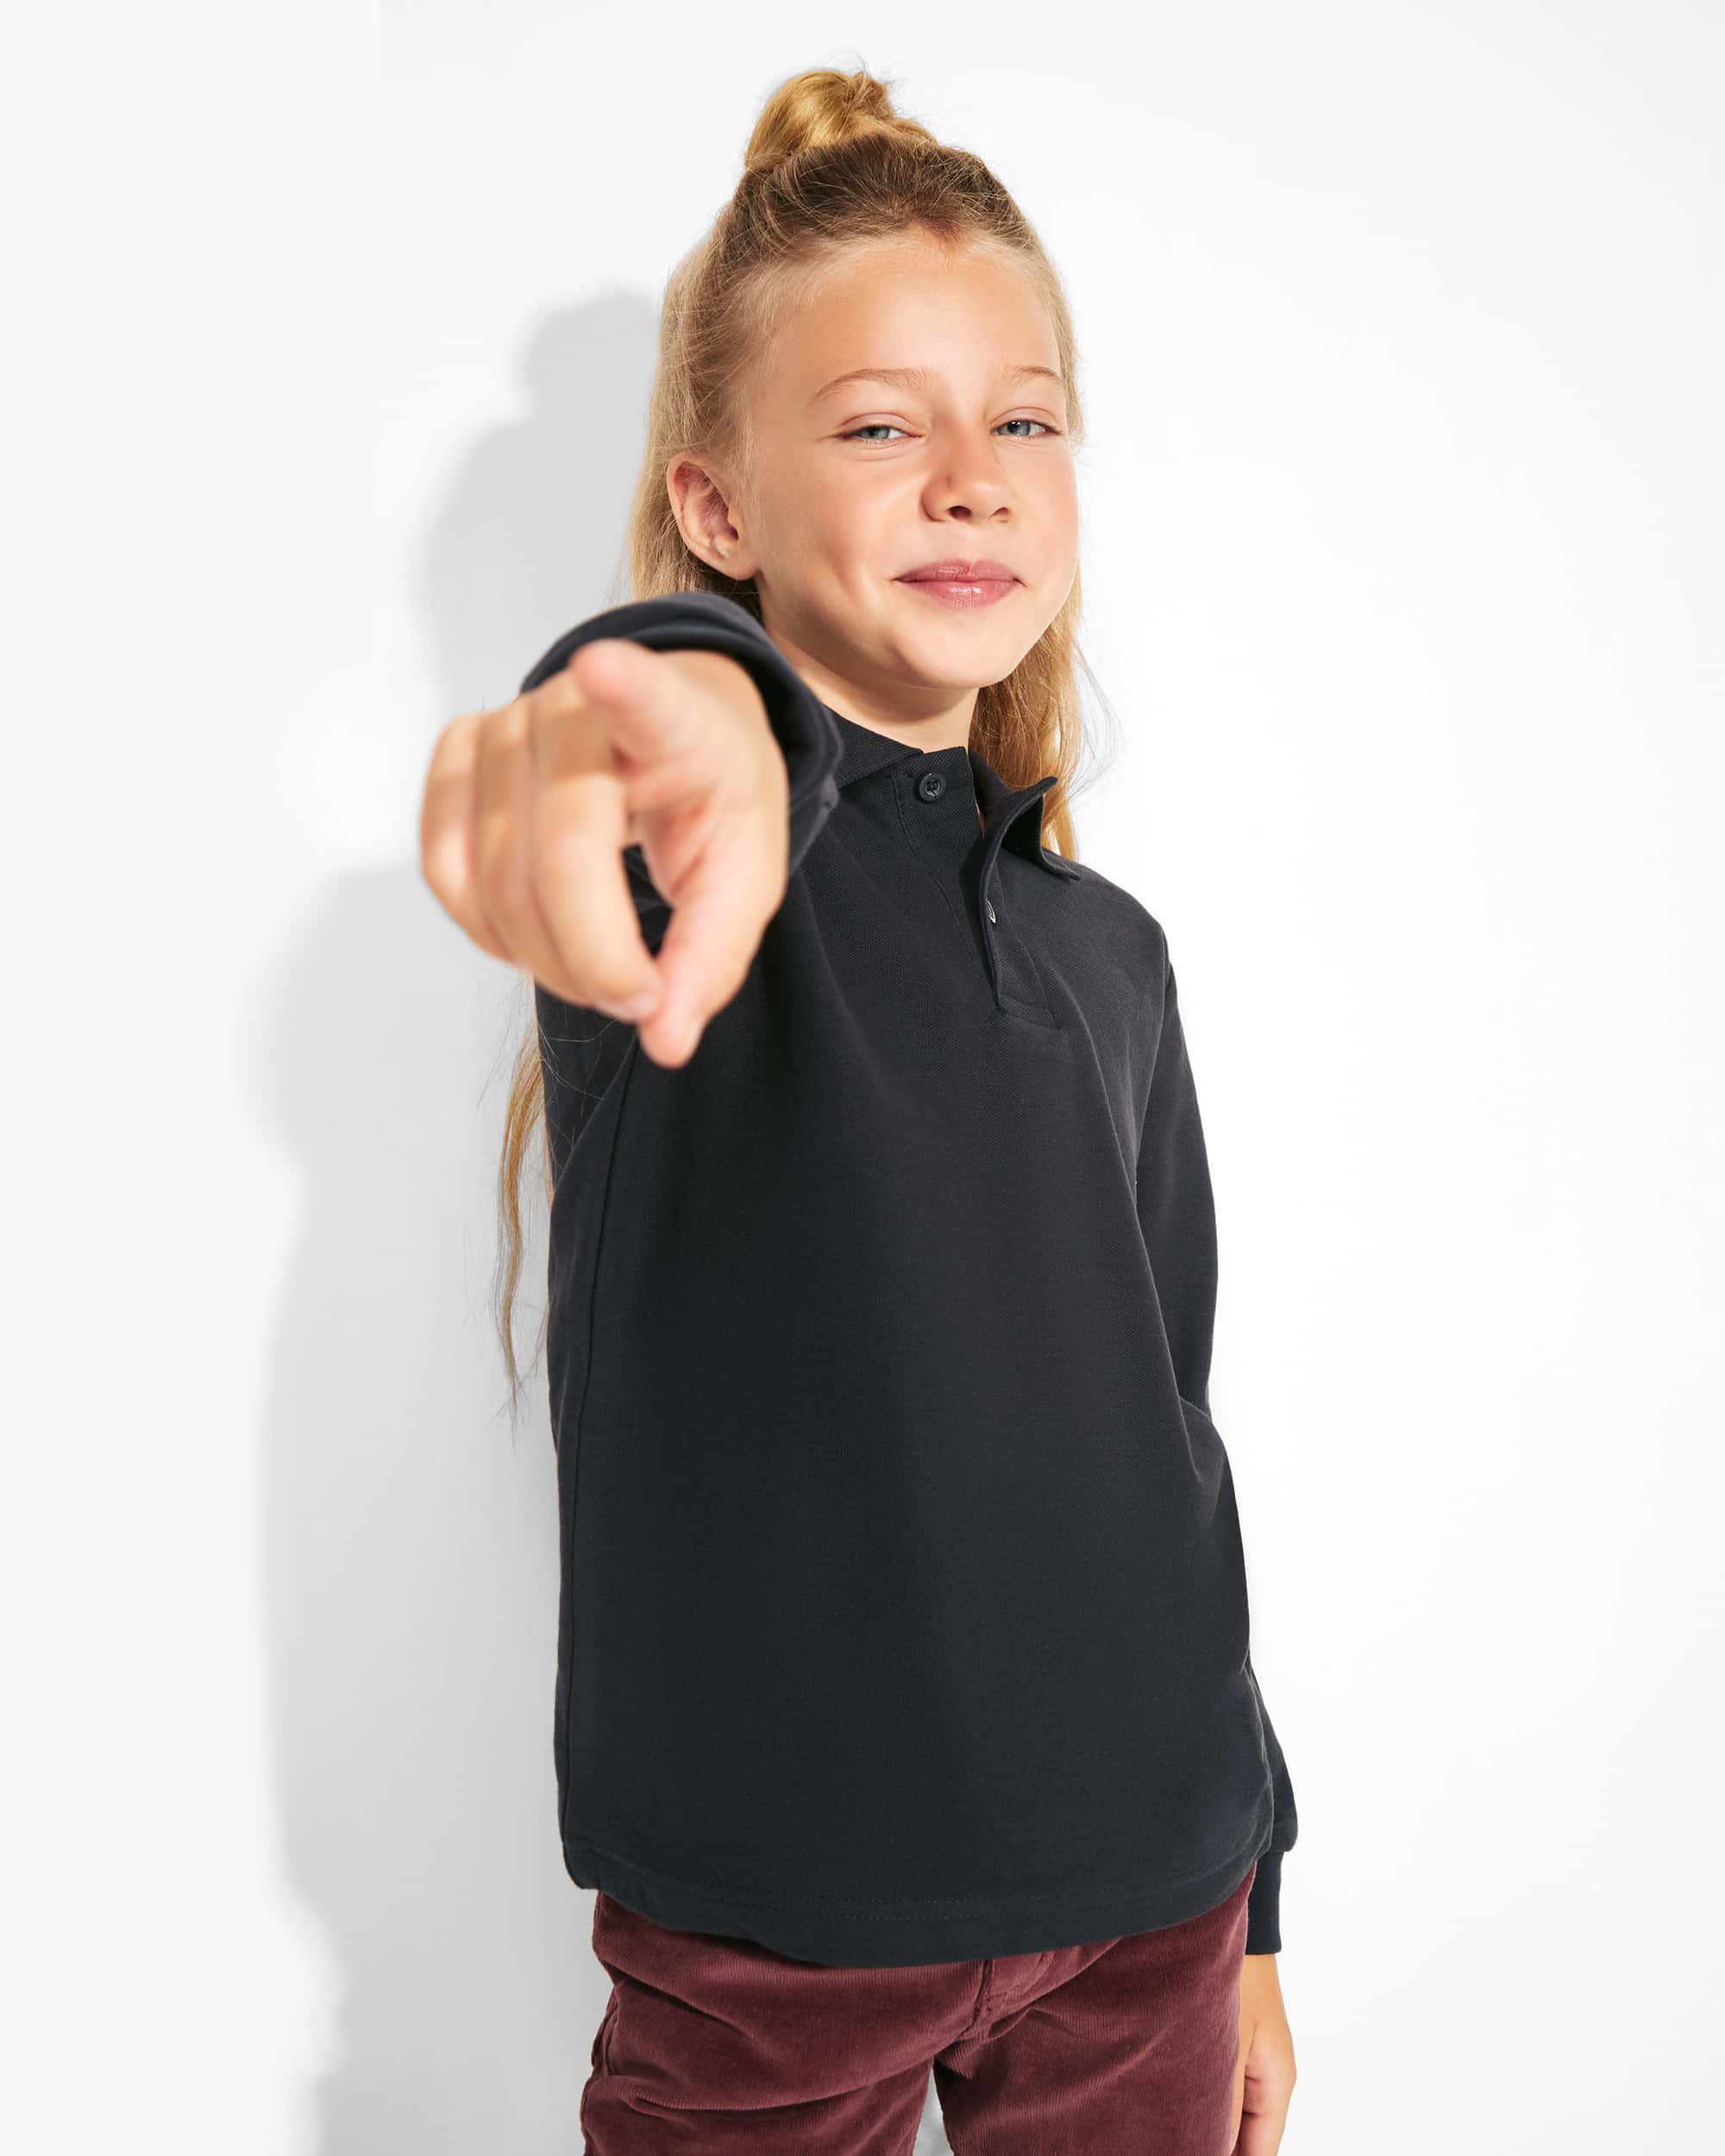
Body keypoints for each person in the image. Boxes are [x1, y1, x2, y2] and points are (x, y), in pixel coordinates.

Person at [421, 61, 1301, 2156]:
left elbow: (1171, 1431)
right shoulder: (699, 867)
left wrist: (1255, 1890)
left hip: (1153, 1903)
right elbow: (639, 712)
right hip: (774, 1937)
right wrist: (674, 712)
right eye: (882, 426)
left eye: (1025, 423)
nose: (971, 482)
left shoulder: (1112, 952)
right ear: (719, 509)